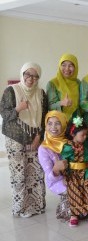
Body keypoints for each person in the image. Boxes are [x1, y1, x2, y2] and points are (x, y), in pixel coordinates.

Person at [0, 62, 47, 218]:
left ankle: (35, 206)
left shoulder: (41, 93)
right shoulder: (11, 91)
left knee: (34, 175)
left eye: (35, 76)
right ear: (22, 74)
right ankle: (20, 207)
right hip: (15, 139)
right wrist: (18, 109)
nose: (30, 79)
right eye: (27, 74)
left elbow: (43, 119)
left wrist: (38, 137)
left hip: (34, 138)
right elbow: (4, 115)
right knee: (19, 176)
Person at [61, 117, 88, 227]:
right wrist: (64, 175)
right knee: (74, 192)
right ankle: (74, 214)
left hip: (86, 173)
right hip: (73, 175)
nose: (85, 137)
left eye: (86, 134)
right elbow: (64, 162)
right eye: (83, 135)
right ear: (73, 134)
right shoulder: (67, 147)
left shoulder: (86, 147)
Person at [38, 111, 70, 221]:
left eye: (58, 123)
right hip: (56, 180)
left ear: (64, 125)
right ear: (45, 126)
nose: (53, 127)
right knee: (71, 211)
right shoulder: (43, 148)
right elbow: (49, 176)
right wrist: (56, 169)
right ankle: (64, 207)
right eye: (50, 123)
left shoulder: (68, 142)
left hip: (72, 176)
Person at [47, 54, 80, 120]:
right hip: (59, 123)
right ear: (59, 66)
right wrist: (62, 103)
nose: (67, 69)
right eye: (64, 65)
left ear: (75, 67)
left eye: (70, 65)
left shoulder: (78, 83)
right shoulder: (52, 83)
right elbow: (49, 106)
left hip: (77, 121)